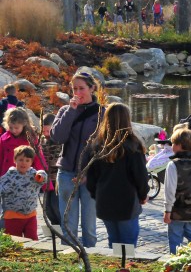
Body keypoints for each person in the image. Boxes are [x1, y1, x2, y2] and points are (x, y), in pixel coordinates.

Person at [51, 72, 104, 248]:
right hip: (66, 173)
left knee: (89, 226)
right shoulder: (65, 111)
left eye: (81, 88)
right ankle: (69, 259)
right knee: (68, 225)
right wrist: (71, 112)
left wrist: (92, 173)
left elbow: (105, 148)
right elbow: (57, 137)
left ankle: (91, 260)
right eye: (74, 89)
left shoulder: (102, 114)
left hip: (90, 175)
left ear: (92, 88)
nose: (78, 92)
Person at [86, 103, 149, 248]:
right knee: (128, 244)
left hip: (105, 202)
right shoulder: (133, 147)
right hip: (127, 203)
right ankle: (124, 268)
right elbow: (141, 177)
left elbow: (91, 179)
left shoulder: (97, 146)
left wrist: (97, 195)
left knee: (113, 241)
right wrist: (142, 195)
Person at [163, 128, 191, 254]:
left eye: (173, 144)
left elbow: (169, 191)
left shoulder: (173, 165)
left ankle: (176, 262)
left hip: (178, 211)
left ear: (179, 146)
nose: (171, 146)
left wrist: (167, 211)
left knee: (176, 239)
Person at [0, 145, 47, 240]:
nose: (23, 163)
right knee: (15, 242)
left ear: (31, 162)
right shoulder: (9, 176)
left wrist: (41, 175)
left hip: (30, 216)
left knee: (33, 239)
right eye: (21, 159)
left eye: (27, 160)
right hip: (12, 216)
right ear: (15, 160)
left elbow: (43, 179)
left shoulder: (33, 174)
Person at [40, 113, 61, 226]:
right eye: (44, 131)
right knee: (48, 208)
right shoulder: (41, 141)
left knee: (56, 206)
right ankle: (55, 229)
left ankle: (63, 230)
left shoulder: (60, 141)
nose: (46, 134)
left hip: (57, 181)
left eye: (49, 131)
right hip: (46, 181)